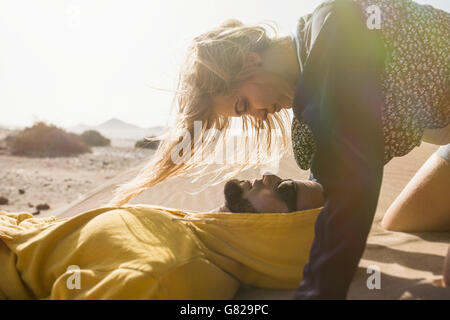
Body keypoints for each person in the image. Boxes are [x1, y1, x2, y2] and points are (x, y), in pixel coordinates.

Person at [109, 0, 449, 299]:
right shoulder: (310, 101)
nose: (257, 116)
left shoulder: (335, 32)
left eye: (242, 105)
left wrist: (318, 292)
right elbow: (323, 193)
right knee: (401, 223)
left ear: (251, 60)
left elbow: (351, 178)